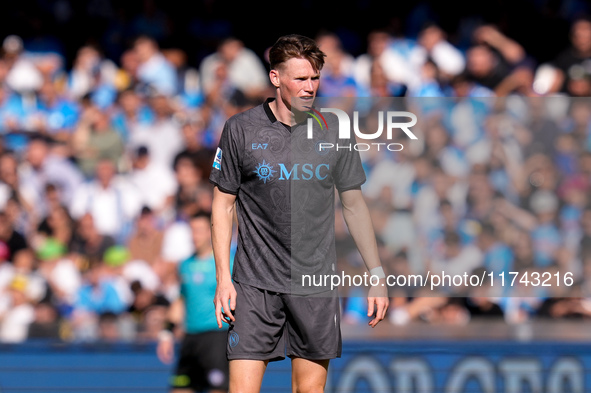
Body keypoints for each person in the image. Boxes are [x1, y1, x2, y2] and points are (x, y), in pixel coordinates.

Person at [209, 34, 389, 393]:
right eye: (300, 79)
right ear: (276, 79)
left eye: (315, 78)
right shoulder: (241, 130)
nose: (310, 88)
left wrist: (377, 273)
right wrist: (223, 278)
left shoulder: (335, 130)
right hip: (254, 283)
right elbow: (222, 203)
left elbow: (353, 205)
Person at [157, 211, 231, 393]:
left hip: (217, 337)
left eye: (198, 230)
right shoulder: (185, 264)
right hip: (190, 339)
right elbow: (182, 299)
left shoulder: (227, 262)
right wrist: (167, 333)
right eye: (191, 230)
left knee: (218, 389)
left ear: (210, 231)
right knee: (180, 388)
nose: (194, 236)